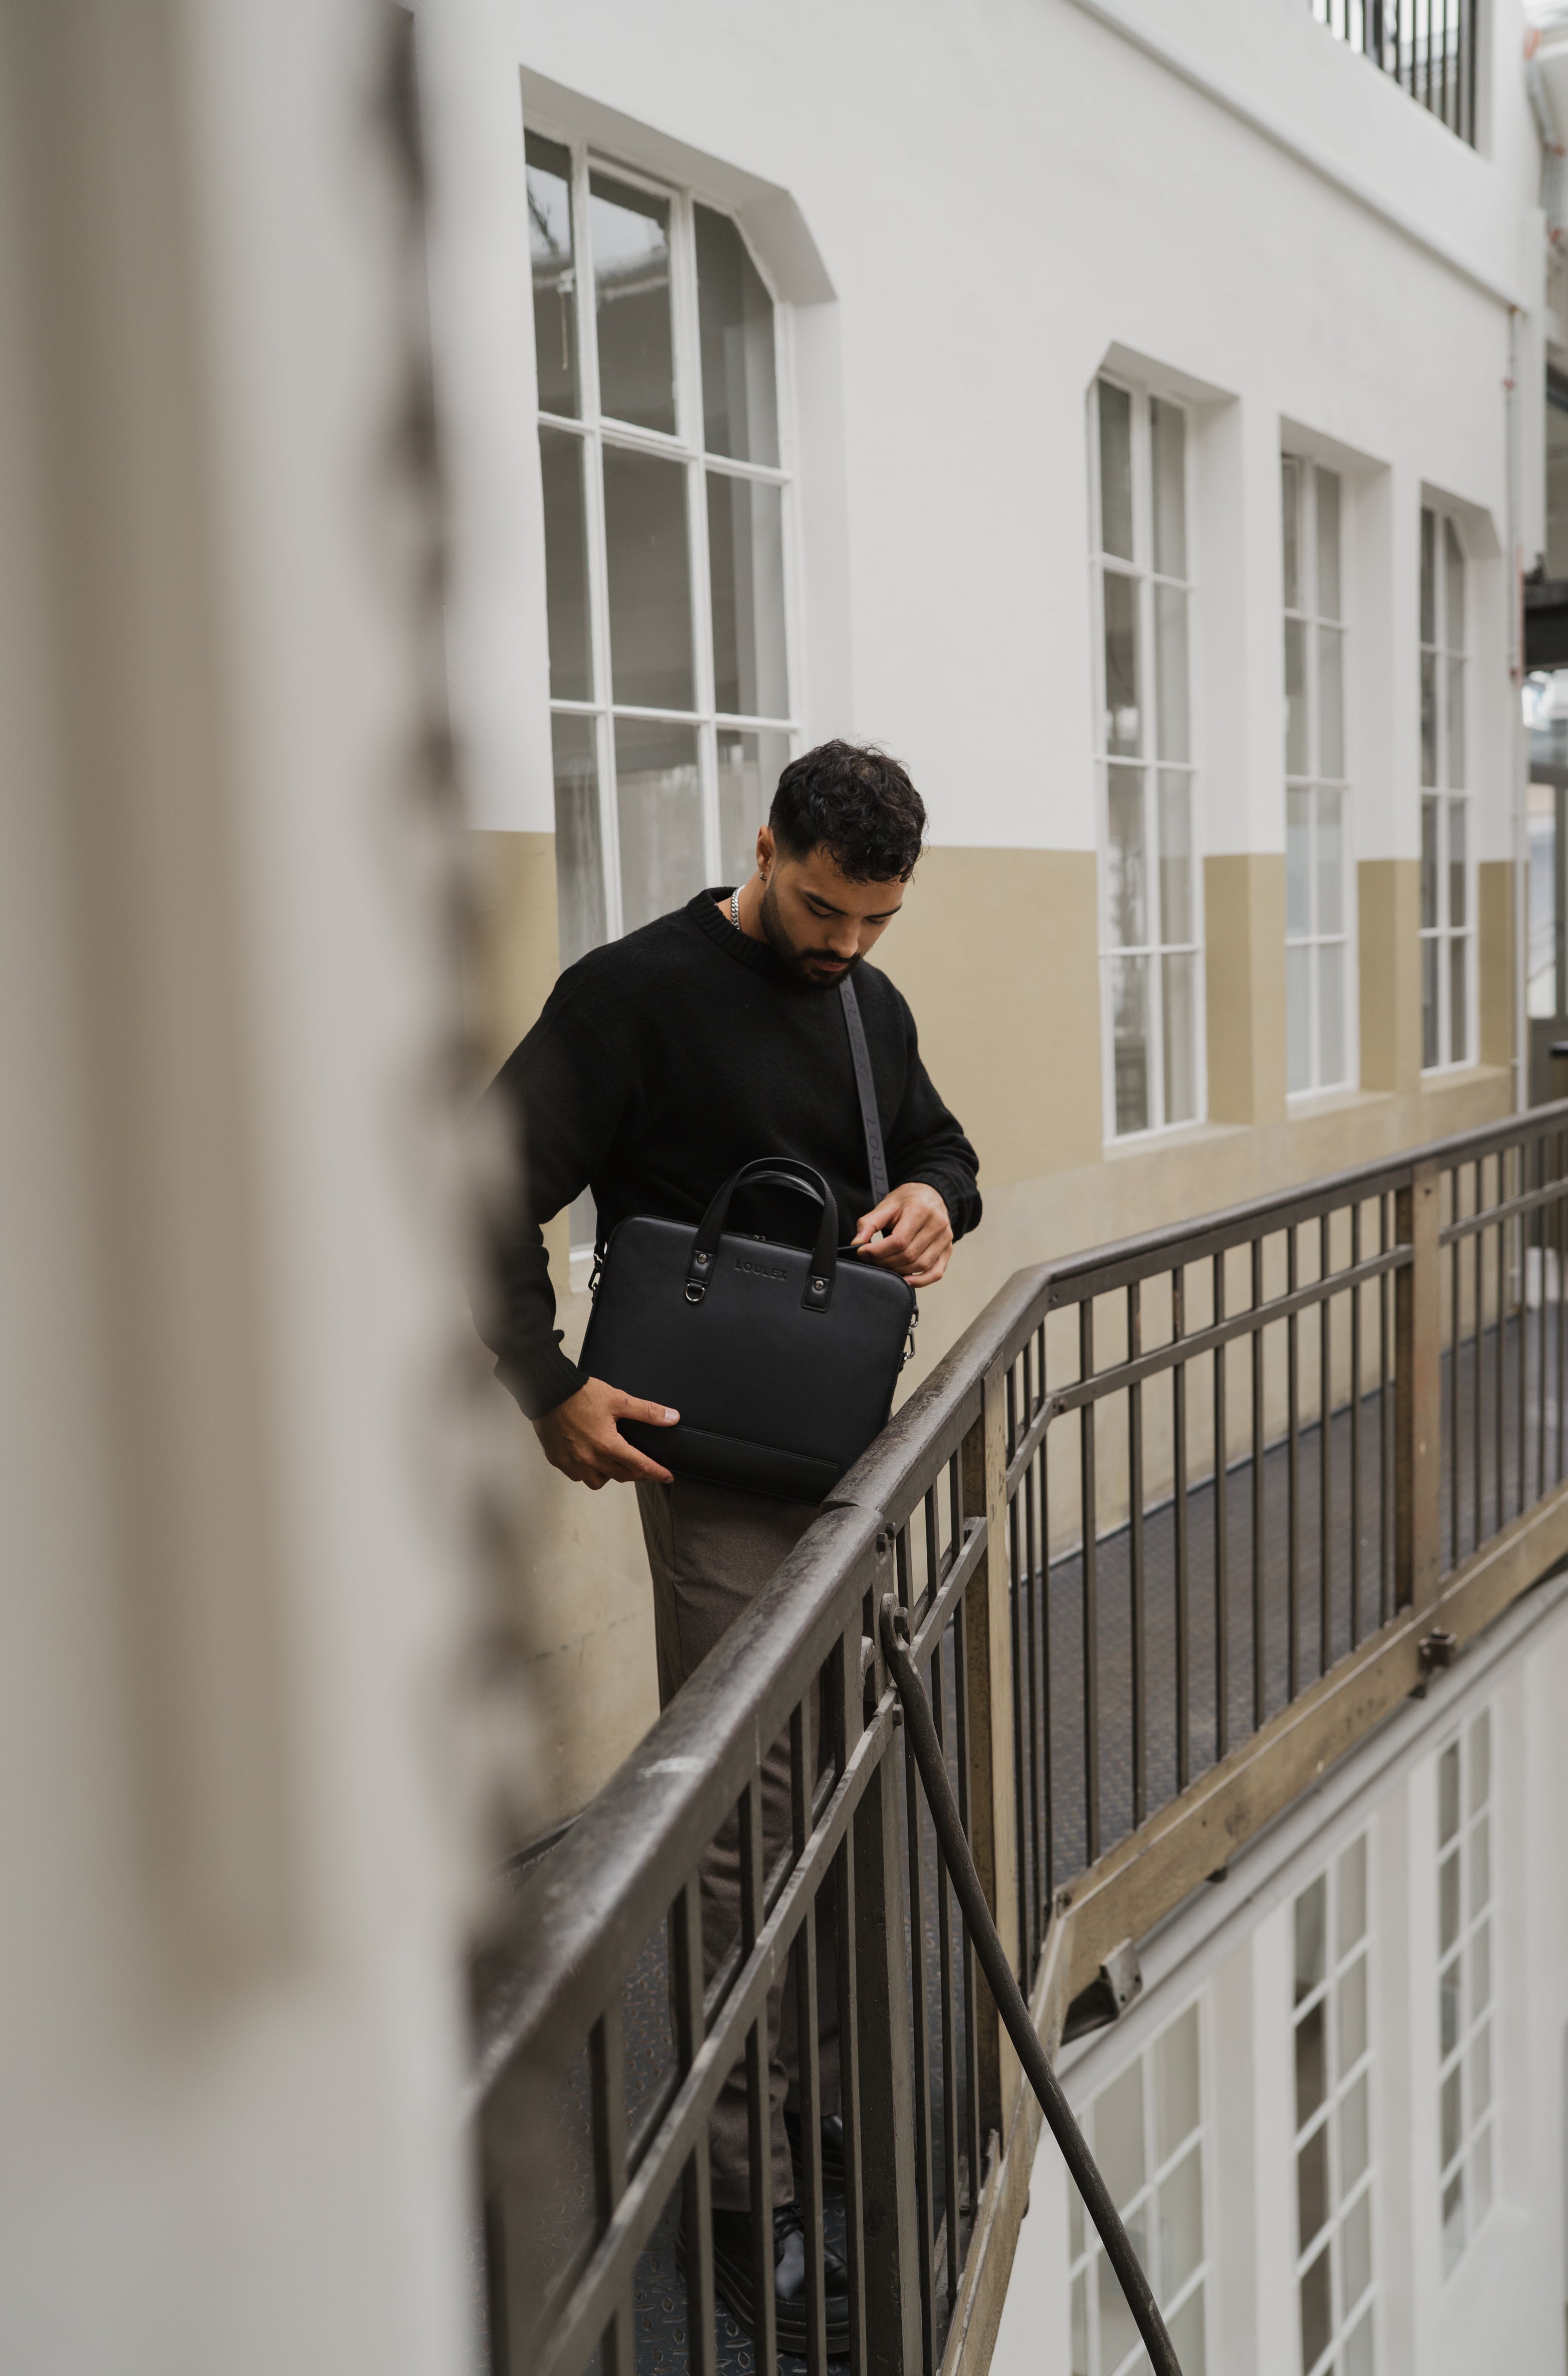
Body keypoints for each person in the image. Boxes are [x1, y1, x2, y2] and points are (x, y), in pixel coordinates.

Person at [475, 740, 980, 2353]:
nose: (844, 946)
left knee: (834, 1810)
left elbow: (943, 1145)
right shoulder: (631, 993)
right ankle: (740, 2193)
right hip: (709, 1472)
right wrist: (547, 1385)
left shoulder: (862, 1002)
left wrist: (927, 1200)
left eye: (875, 923)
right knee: (743, 1833)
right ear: (761, 846)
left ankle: (800, 2118)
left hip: (846, 1456)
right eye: (826, 909)